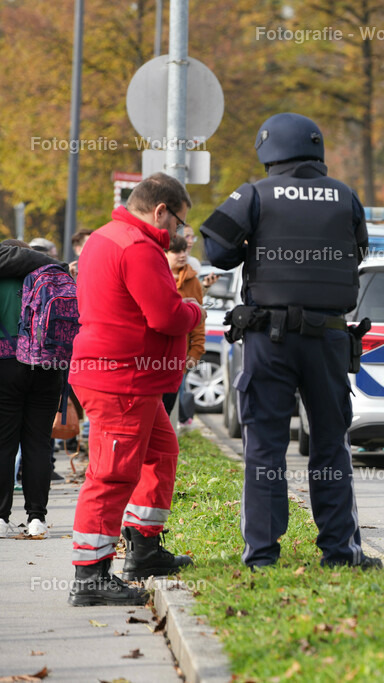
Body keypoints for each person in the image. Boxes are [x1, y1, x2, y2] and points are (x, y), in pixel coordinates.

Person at [200, 112, 378, 570]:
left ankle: (262, 556)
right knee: (331, 445)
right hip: (329, 340)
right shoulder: (346, 196)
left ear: (268, 149)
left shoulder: (255, 194)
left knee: (265, 447)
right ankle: (341, 553)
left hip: (270, 340)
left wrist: (255, 245)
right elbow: (359, 249)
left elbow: (216, 249)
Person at [68, 172, 205, 606]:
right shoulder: (138, 247)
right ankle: (90, 576)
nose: (178, 232)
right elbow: (166, 315)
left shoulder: (105, 238)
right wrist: (194, 310)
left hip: (127, 378)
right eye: (179, 221)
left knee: (161, 452)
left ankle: (143, 549)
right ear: (160, 210)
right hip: (123, 380)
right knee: (111, 475)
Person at [0, 240, 66, 539]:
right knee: (38, 443)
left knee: (4, 444)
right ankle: (37, 517)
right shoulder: (48, 275)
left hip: (5, 365)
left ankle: (1, 518)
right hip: (47, 365)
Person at [162, 235, 205, 424]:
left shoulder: (192, 281)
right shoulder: (156, 276)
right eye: (176, 251)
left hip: (178, 358)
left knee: (167, 410)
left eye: (184, 250)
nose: (182, 255)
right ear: (164, 253)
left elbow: (199, 320)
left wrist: (195, 353)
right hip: (151, 357)